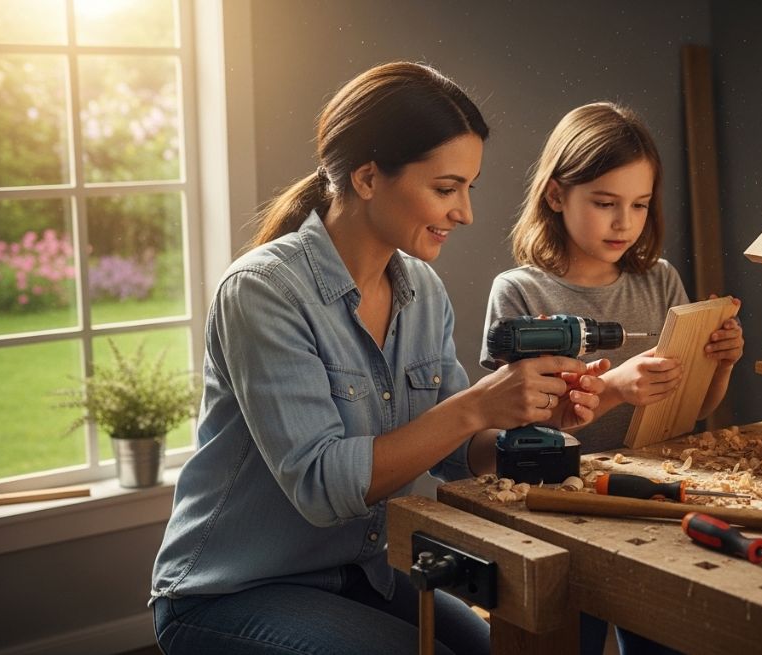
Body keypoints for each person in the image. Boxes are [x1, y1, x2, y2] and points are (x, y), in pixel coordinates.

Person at [150, 62, 606, 655]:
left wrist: (531, 422)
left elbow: (453, 453)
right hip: (233, 590)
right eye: (445, 189)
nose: (465, 213)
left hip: (364, 573)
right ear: (367, 177)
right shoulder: (263, 291)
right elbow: (322, 486)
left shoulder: (423, 290)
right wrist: (476, 406)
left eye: (468, 188)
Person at [479, 102, 744, 655]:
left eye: (639, 204)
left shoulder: (660, 281)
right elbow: (516, 432)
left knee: (662, 638)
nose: (625, 222)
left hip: (649, 499)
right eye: (605, 203)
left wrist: (718, 363)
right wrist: (616, 390)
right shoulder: (520, 292)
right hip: (559, 507)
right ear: (556, 196)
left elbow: (692, 409)